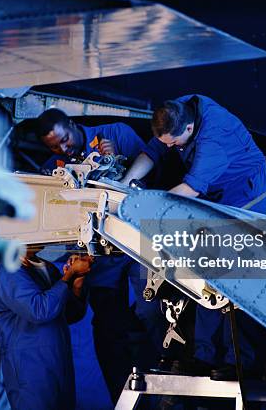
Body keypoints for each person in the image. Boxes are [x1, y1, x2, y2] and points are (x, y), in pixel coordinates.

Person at [121, 94, 266, 380]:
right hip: (215, 195)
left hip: (245, 196)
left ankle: (239, 360)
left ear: (189, 130)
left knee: (231, 279)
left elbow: (191, 189)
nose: (170, 148)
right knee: (203, 273)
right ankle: (203, 355)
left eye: (173, 144)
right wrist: (125, 186)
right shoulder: (177, 110)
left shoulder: (214, 137)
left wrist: (140, 209)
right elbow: (153, 151)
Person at [35, 108, 166, 403]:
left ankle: (168, 384)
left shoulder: (116, 134)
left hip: (139, 244)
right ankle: (121, 397)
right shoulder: (54, 168)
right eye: (55, 147)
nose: (64, 149)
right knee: (108, 329)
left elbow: (161, 174)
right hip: (103, 260)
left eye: (65, 141)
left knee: (153, 312)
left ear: (73, 124)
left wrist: (122, 160)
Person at [0, 251, 93, 410]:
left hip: (59, 365)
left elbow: (70, 314)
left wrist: (76, 281)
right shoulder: (8, 270)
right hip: (30, 369)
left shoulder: (48, 268)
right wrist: (69, 274)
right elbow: (39, 310)